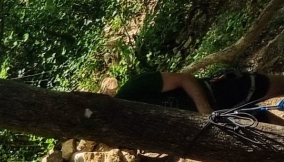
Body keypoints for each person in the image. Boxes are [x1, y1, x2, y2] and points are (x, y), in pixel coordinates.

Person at [100, 65, 277, 115]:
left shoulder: (133, 88)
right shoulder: (125, 125)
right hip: (223, 120)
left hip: (221, 91)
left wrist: (205, 112)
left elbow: (184, 79)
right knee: (271, 131)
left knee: (276, 86)